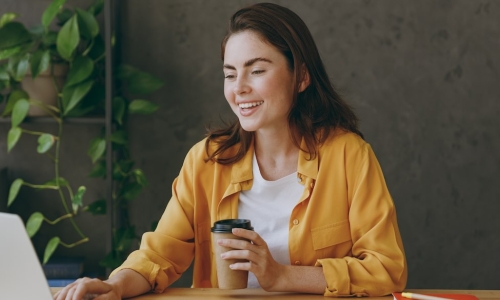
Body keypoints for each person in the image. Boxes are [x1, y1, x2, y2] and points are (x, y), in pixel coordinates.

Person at [54, 3, 407, 299]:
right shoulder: (207, 160)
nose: (240, 88)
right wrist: (113, 286)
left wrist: (282, 276)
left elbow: (387, 269)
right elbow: (159, 254)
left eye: (256, 70)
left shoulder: (349, 156)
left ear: (301, 77)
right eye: (229, 74)